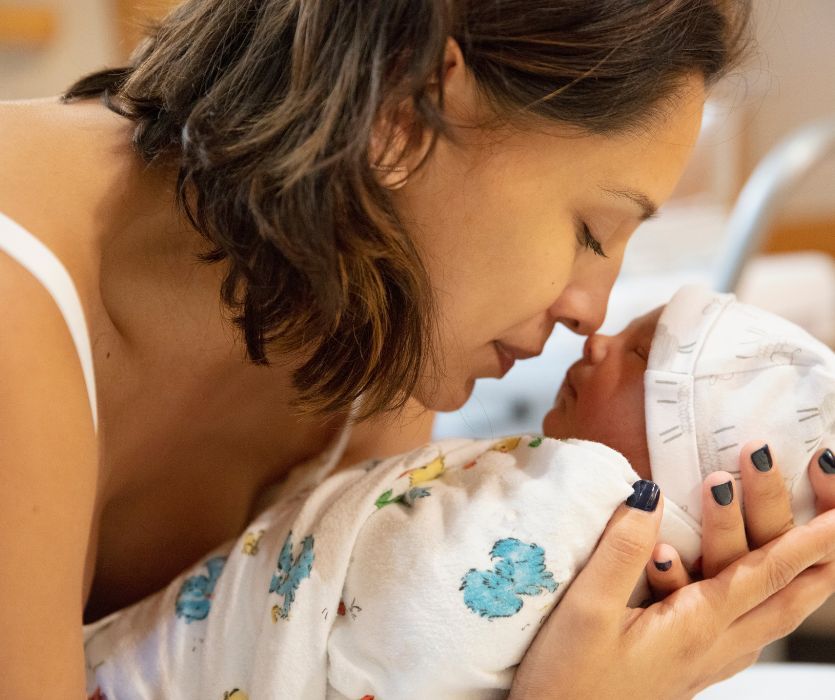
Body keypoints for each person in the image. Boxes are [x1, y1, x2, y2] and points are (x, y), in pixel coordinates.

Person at [2, 1, 835, 697]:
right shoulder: (18, 304)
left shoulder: (372, 335)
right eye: (591, 229)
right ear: (406, 116)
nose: (592, 311)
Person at [79, 284, 835, 699]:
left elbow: (418, 636)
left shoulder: (587, 495)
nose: (594, 334)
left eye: (640, 352)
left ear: (677, 460)